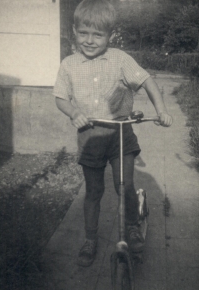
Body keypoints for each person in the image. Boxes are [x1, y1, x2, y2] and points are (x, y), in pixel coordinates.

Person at [53, 0, 173, 267]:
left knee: (125, 185)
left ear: (110, 35)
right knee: (94, 191)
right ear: (74, 30)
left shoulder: (120, 59)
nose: (90, 40)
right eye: (84, 33)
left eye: (98, 35)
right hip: (90, 135)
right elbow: (60, 98)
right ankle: (90, 238)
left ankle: (132, 226)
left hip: (121, 134)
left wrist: (161, 110)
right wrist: (73, 112)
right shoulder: (69, 64)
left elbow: (146, 81)